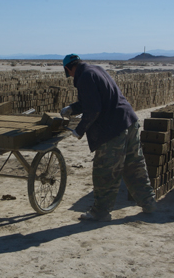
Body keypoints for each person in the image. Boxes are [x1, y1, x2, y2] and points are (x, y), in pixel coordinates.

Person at [61, 54, 157, 222]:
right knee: (134, 165)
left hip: (113, 130)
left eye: (68, 73)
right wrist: (72, 108)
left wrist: (80, 130)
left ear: (69, 68)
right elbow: (94, 100)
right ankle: (148, 202)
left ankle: (100, 212)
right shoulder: (96, 70)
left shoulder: (84, 77)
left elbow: (94, 110)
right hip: (129, 121)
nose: (70, 76)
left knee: (105, 171)